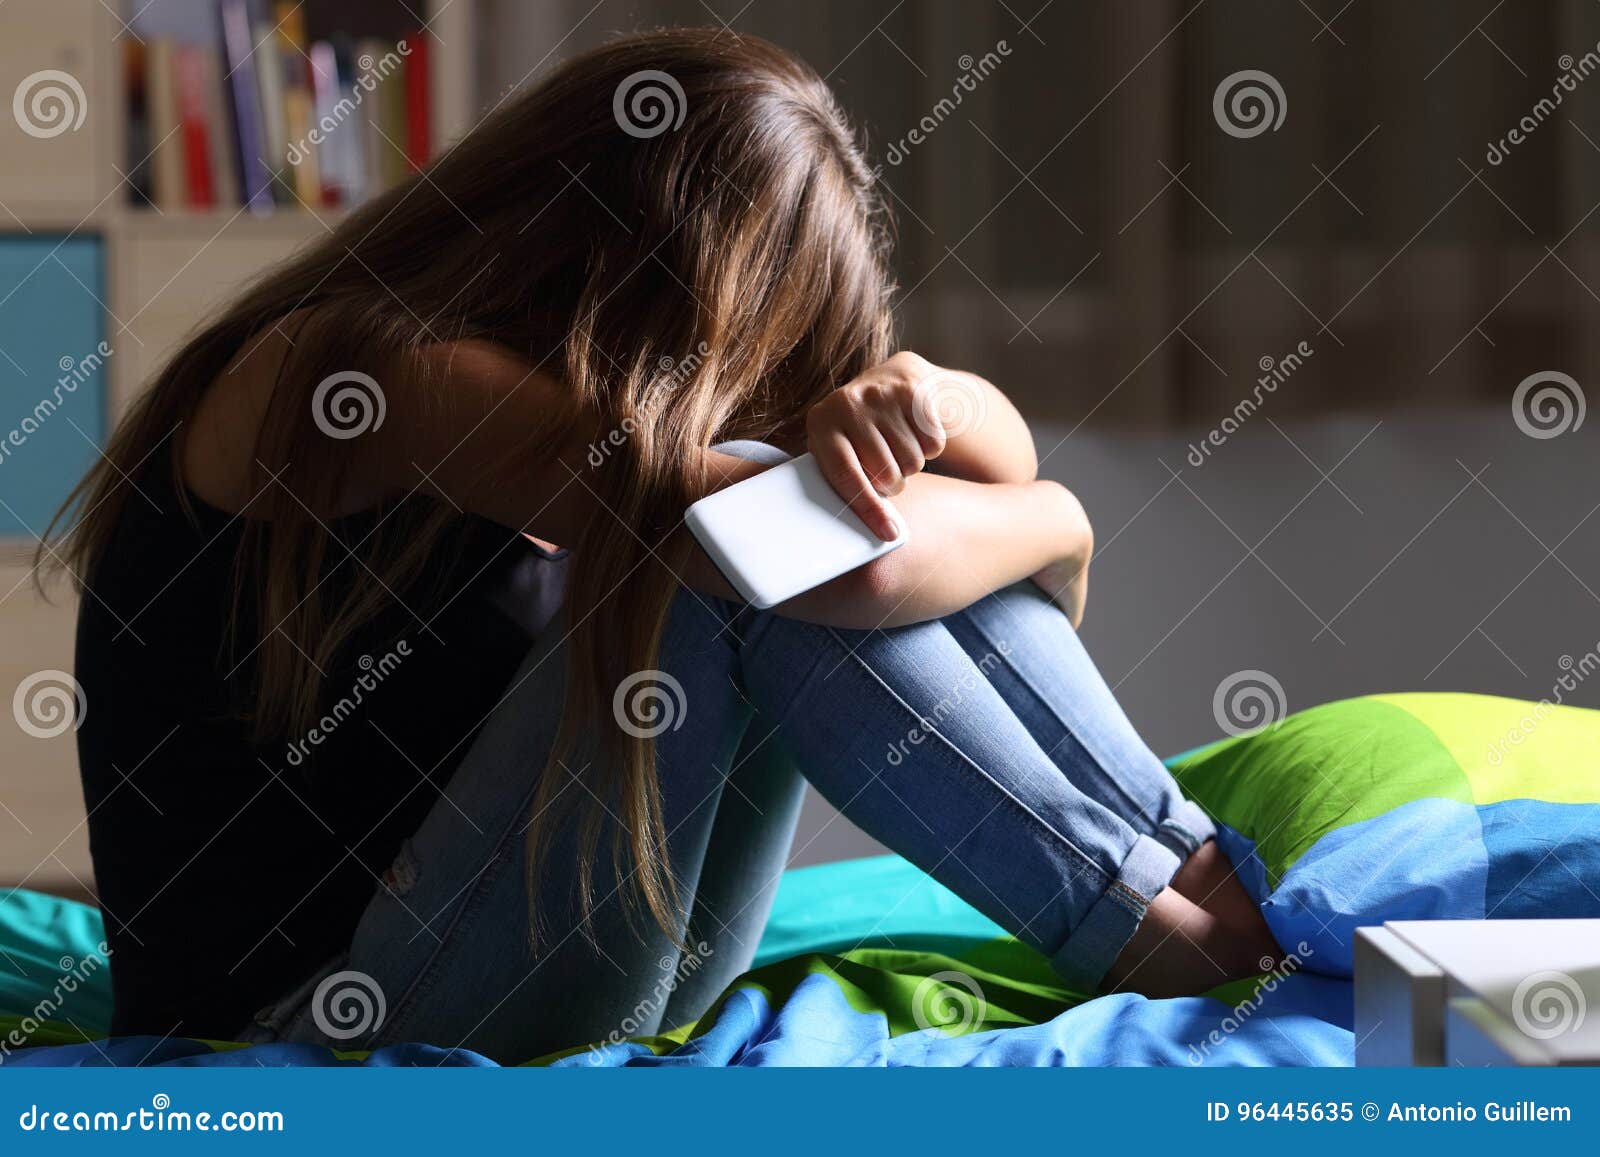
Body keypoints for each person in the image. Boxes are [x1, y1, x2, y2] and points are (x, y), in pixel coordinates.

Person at [51, 29, 1279, 1062]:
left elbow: (958, 477)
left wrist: (926, 398)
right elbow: (841, 565)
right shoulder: (365, 373)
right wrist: (1059, 524)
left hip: (560, 946)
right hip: (329, 1016)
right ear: (634, 263)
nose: (746, 388)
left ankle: (1186, 865)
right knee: (749, 541)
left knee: (784, 513)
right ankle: (1153, 927)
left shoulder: (586, 405)